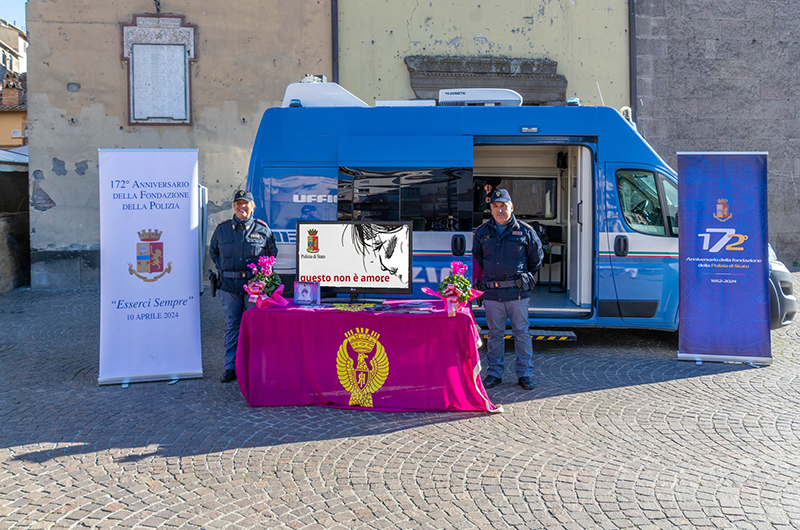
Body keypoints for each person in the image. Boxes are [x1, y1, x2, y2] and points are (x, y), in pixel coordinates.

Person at [472, 189, 543, 391]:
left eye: (504, 206)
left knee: (521, 333)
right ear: (491, 209)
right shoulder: (482, 232)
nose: (500, 210)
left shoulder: (526, 231)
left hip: (517, 292)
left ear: (512, 207)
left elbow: (535, 260)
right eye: (496, 206)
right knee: (495, 334)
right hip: (493, 293)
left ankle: (525, 374)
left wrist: (522, 276)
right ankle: (494, 373)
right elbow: (479, 258)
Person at [209, 190, 278, 383]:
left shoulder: (263, 229)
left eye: (245, 203)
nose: (242, 207)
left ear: (252, 206)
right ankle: (230, 367)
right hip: (229, 286)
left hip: (253, 288)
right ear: (234, 206)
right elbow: (214, 253)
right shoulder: (222, 230)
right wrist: (226, 269)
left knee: (255, 325)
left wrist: (262, 277)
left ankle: (255, 365)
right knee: (232, 325)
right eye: (238, 203)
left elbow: (272, 254)